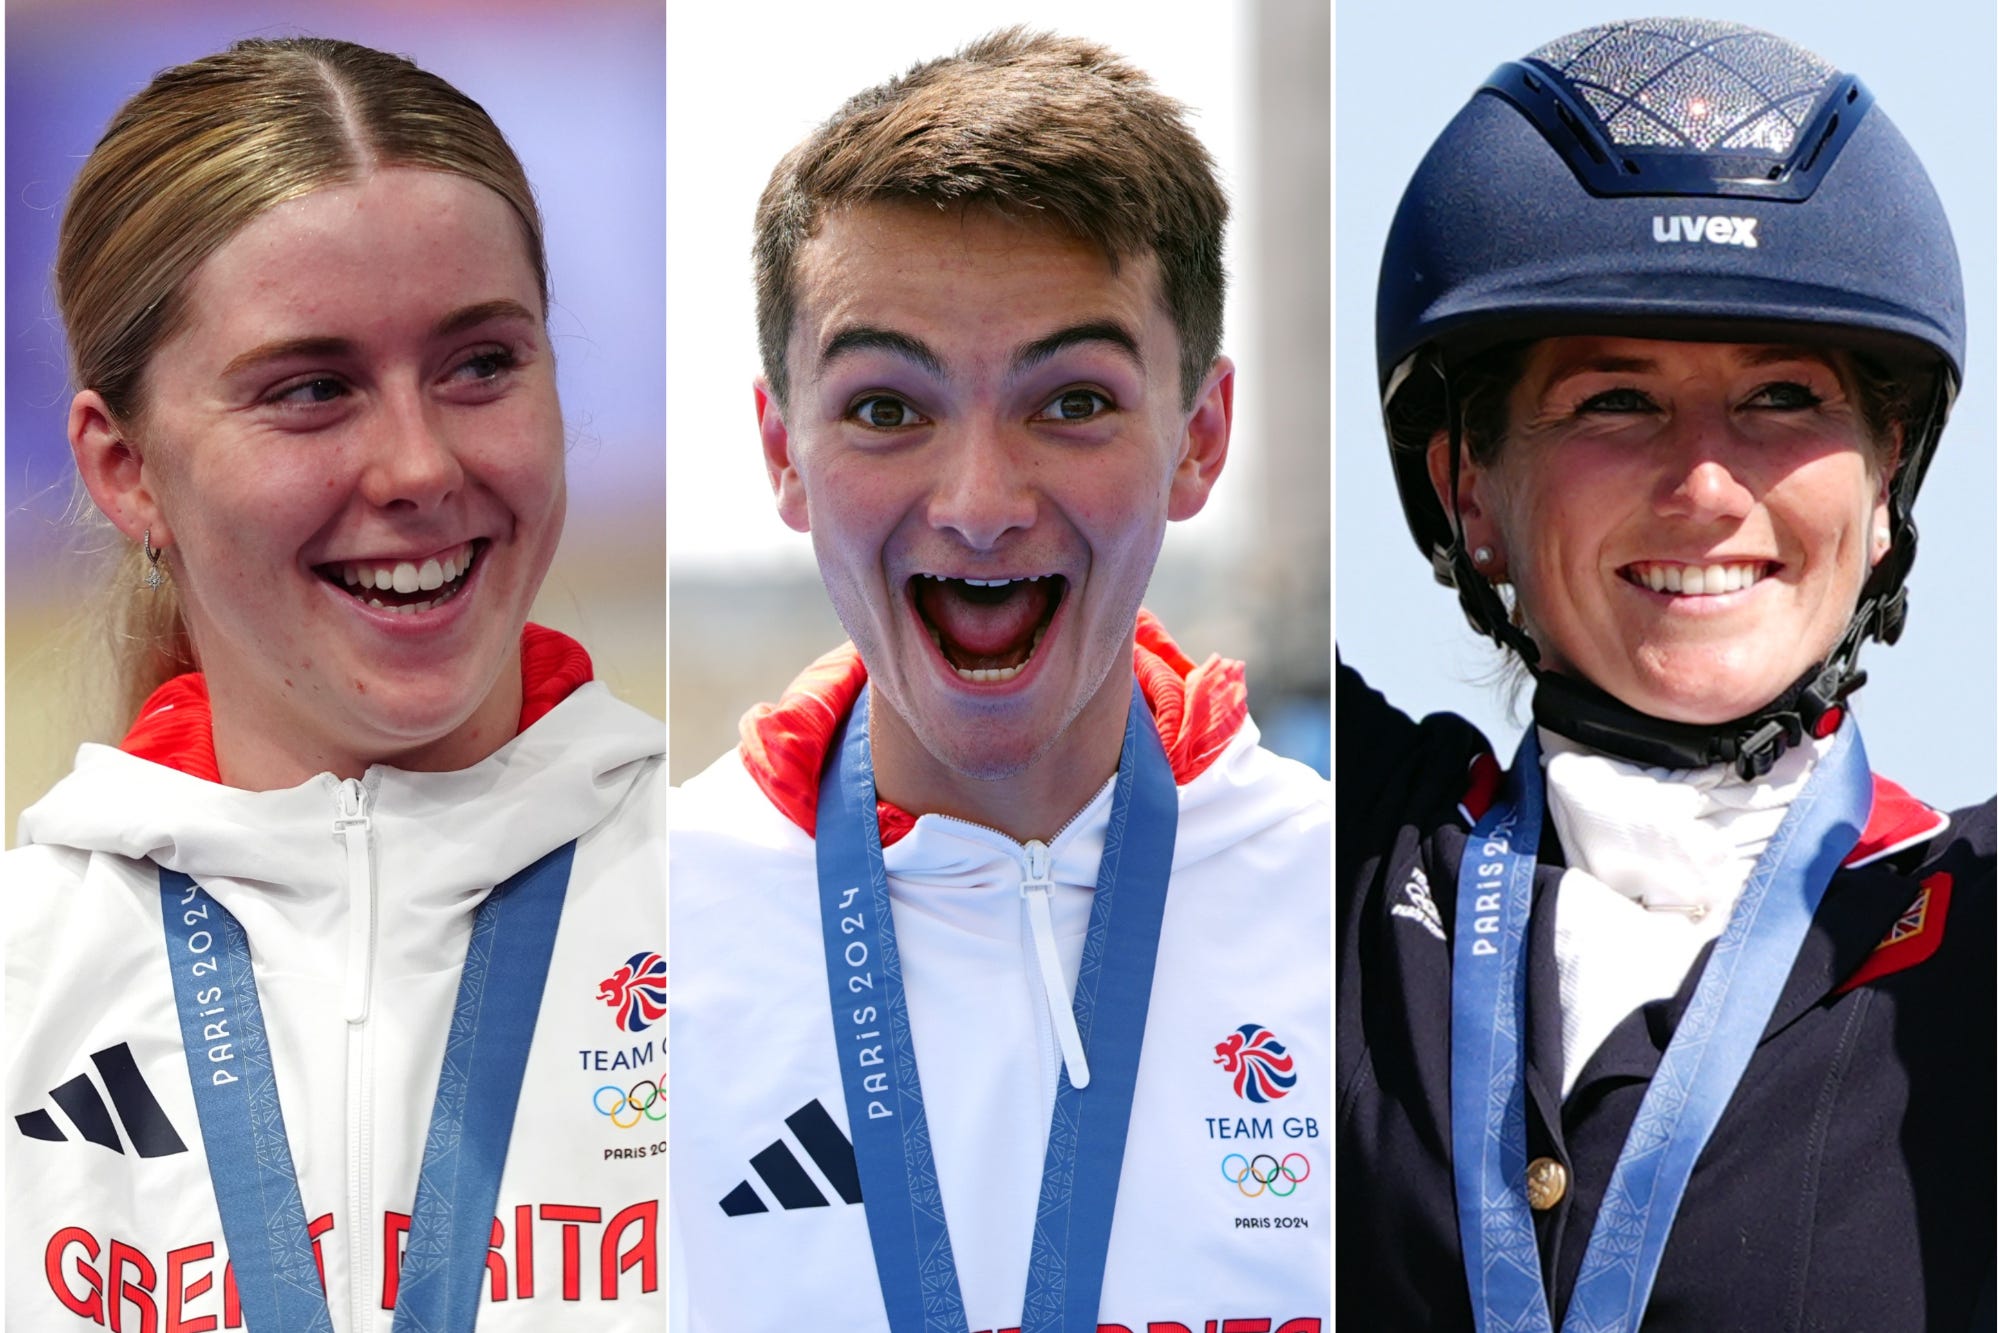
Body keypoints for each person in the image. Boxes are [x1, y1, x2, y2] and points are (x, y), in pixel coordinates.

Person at [1337, 17, 1993, 1330]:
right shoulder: (1348, 855)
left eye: (1786, 396)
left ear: (1883, 486)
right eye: (1613, 401)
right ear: (1466, 487)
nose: (1703, 485)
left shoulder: (1972, 943)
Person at [670, 29, 1330, 1331]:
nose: (978, 504)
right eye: (884, 409)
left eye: (1071, 401)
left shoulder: (1363, 923)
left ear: (1200, 438)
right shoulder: (633, 940)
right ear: (781, 450)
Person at [5, 39, 664, 1332]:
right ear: (127, 468)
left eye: (481, 365)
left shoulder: (759, 924)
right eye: (312, 389)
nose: (419, 464)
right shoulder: (23, 981)